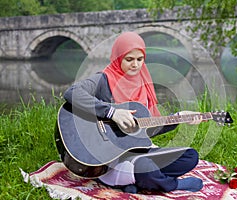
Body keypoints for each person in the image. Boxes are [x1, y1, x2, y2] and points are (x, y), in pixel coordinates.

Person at [63, 31, 204, 193]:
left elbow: (146, 129)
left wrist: (178, 118)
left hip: (137, 151)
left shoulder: (144, 82)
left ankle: (134, 181)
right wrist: (111, 112)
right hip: (108, 158)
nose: (135, 65)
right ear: (118, 57)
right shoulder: (103, 79)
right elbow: (72, 92)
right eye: (129, 59)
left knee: (189, 156)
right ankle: (172, 185)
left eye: (140, 59)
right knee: (146, 167)